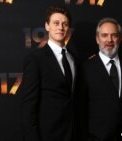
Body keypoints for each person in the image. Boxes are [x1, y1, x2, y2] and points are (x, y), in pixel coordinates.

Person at [75, 17, 122, 141]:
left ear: (119, 38)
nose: (109, 40)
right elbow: (80, 110)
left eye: (114, 35)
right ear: (97, 39)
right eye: (104, 35)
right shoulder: (85, 68)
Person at [19, 5, 78, 141]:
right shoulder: (35, 59)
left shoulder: (73, 58)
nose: (60, 27)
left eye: (65, 24)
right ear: (47, 26)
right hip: (47, 135)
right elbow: (28, 107)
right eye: (56, 23)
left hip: (73, 134)